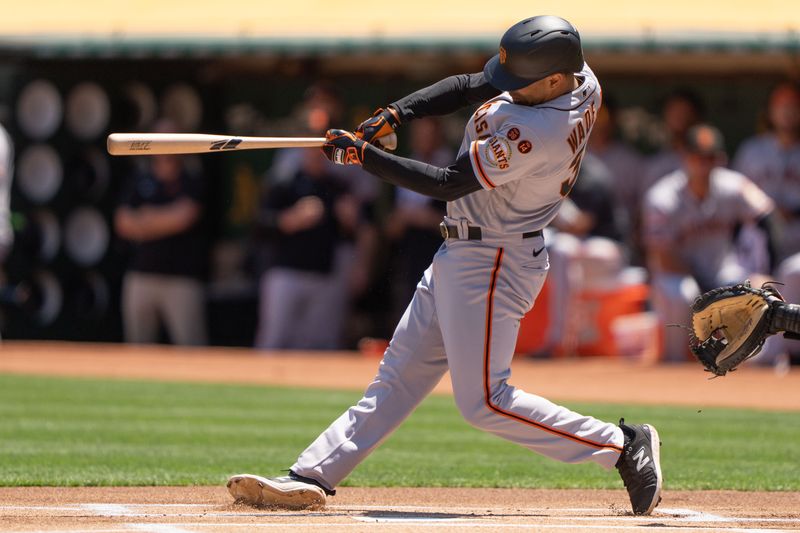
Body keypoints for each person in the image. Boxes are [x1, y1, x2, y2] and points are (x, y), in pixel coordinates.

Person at [228, 16, 663, 516]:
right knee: (397, 376)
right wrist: (398, 112)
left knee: (485, 401)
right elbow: (470, 85)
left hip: (496, 257)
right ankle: (311, 474)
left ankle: (621, 444)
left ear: (553, 82)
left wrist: (362, 157)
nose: (505, 89)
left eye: (519, 84)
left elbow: (447, 183)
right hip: (465, 249)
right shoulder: (577, 75)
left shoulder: (540, 130)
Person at [642, 124, 775, 362]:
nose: (703, 163)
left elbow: (767, 217)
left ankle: (748, 369)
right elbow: (662, 255)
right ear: (685, 157)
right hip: (676, 277)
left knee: (754, 290)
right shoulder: (662, 197)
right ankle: (673, 366)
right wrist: (706, 292)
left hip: (721, 274)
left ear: (720, 159)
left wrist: (764, 270)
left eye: (709, 157)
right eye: (697, 156)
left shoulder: (732, 185)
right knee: (683, 293)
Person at [253, 149, 363, 350]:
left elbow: (353, 233)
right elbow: (260, 226)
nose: (316, 156)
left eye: (321, 152)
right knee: (275, 338)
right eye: (311, 151)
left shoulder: (337, 187)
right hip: (285, 272)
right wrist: (291, 219)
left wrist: (350, 220)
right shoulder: (284, 182)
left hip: (324, 273)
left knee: (320, 343)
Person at [114, 120, 209, 346]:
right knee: (138, 350)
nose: (165, 146)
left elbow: (184, 217)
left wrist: (146, 219)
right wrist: (163, 218)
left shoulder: (191, 178)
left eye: (171, 139)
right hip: (142, 275)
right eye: (159, 139)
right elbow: (122, 223)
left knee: (192, 351)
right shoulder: (140, 178)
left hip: (182, 279)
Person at [732, 82, 800, 365]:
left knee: (794, 273)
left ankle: (791, 354)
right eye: (781, 107)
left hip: (796, 236)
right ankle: (763, 353)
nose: (787, 113)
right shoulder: (752, 150)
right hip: (759, 240)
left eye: (793, 108)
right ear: (770, 112)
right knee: (753, 282)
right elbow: (734, 198)